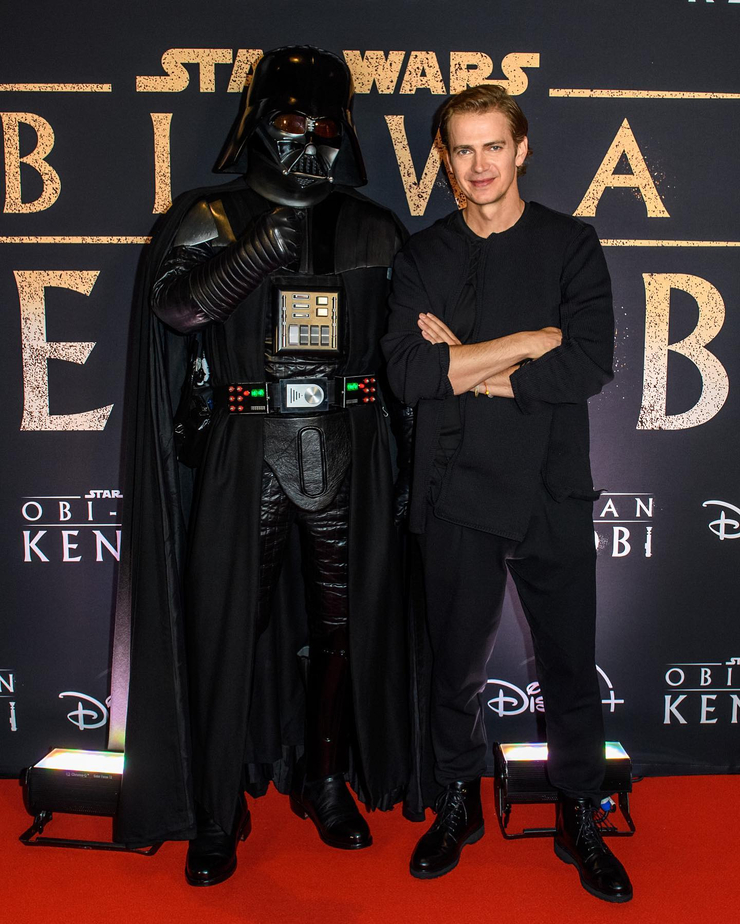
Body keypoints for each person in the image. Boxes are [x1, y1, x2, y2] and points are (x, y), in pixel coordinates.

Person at [113, 46, 410, 886]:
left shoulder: (374, 226)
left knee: (341, 630)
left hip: (348, 443)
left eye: (325, 125)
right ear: (256, 122)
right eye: (289, 121)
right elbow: (175, 307)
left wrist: (409, 463)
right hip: (247, 445)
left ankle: (326, 780)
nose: (308, 141)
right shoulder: (211, 213)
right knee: (225, 629)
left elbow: (403, 353)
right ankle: (216, 806)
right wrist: (250, 253)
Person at [382, 84, 632, 903]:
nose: (480, 164)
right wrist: (525, 342)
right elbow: (411, 374)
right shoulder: (424, 255)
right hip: (454, 484)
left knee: (569, 665)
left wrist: (470, 364)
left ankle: (579, 812)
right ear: (445, 158)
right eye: (463, 148)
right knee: (454, 665)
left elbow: (586, 364)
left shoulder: (571, 244)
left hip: (551, 487)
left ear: (521, 150)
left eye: (494, 146)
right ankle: (457, 798)